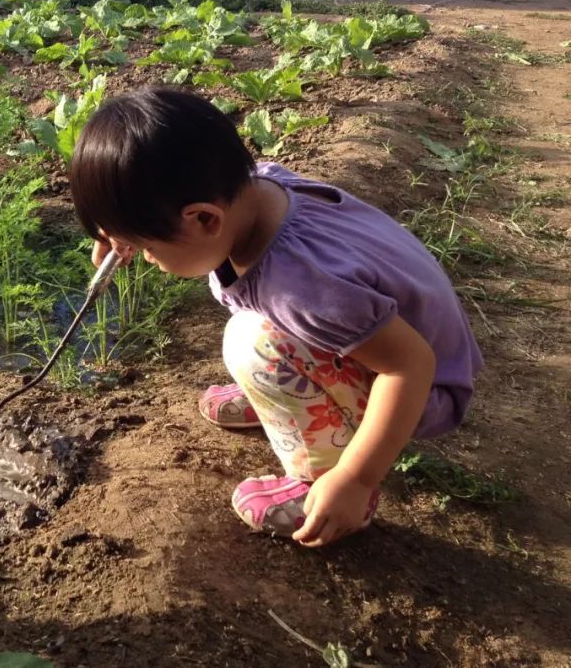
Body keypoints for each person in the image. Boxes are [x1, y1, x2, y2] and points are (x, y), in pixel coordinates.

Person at [69, 87, 482, 547]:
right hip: (382, 342)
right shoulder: (253, 191)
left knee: (254, 345)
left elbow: (411, 365)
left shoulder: (301, 285)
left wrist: (356, 478)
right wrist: (123, 230)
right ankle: (290, 399)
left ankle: (319, 484)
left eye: (147, 248)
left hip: (422, 388)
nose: (144, 258)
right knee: (258, 343)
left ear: (205, 220)